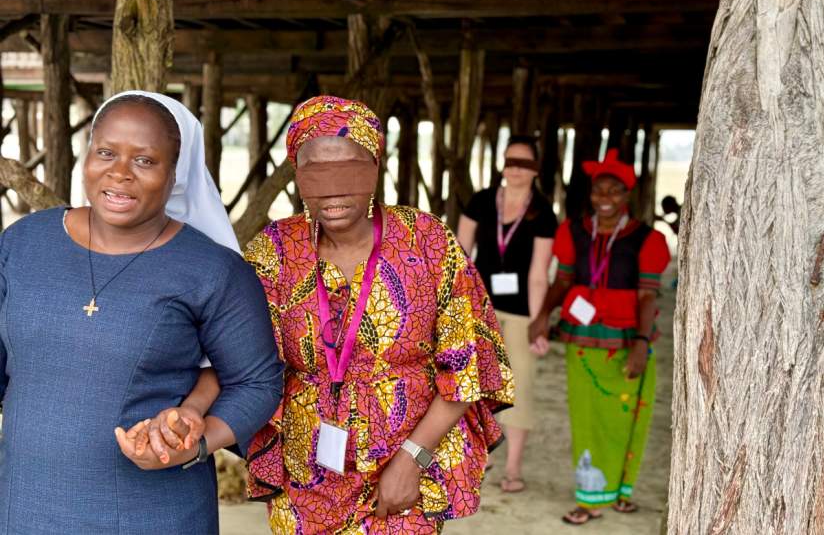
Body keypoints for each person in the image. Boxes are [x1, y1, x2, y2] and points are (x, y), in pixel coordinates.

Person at [0, 91, 283, 534]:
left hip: (153, 514)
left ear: (175, 174)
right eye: (106, 152)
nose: (119, 172)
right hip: (27, 506)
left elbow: (258, 382)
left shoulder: (211, 270)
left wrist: (198, 442)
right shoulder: (23, 245)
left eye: (145, 161)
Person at [240, 95, 514, 534]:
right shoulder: (273, 252)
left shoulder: (426, 241)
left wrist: (413, 458)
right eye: (314, 170)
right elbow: (237, 356)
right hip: (305, 473)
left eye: (348, 167)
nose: (332, 187)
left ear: (374, 167)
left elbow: (468, 364)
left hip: (404, 470)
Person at [528, 148, 670, 525]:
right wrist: (543, 315)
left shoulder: (646, 239)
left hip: (628, 341)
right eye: (598, 191)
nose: (604, 199)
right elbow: (562, 280)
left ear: (628, 196)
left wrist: (640, 344)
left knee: (630, 416)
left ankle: (622, 491)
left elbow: (646, 294)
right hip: (584, 342)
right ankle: (590, 498)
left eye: (614, 192)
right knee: (588, 419)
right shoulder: (573, 230)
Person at [457, 135, 557, 493]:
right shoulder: (482, 201)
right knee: (477, 385)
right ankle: (484, 457)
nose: (515, 169)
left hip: (518, 313)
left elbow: (537, 274)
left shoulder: (543, 212)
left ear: (536, 170)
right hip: (478, 309)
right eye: (510, 161)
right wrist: (458, 309)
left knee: (520, 387)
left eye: (524, 163)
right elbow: (461, 257)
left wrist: (537, 325)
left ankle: (513, 467)